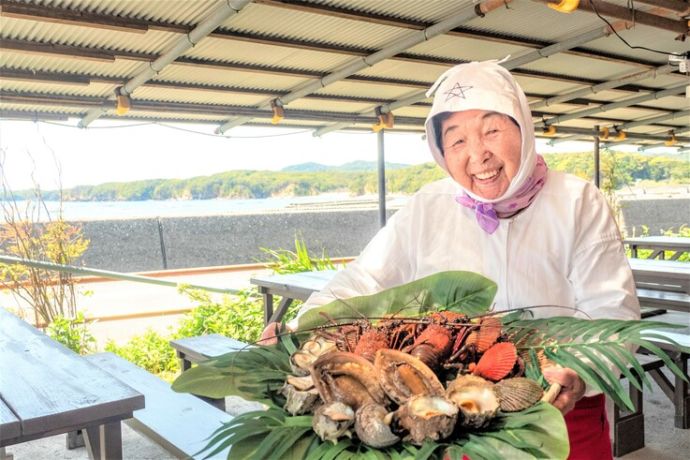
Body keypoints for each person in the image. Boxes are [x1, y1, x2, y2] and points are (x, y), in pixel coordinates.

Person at [262, 60, 640, 459]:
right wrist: (303, 329)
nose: (478, 154)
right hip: (450, 427)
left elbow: (612, 313)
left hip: (559, 417)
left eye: (492, 130)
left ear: (523, 128)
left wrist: (578, 373)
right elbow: (364, 279)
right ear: (440, 150)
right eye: (457, 140)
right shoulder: (428, 205)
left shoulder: (577, 201)